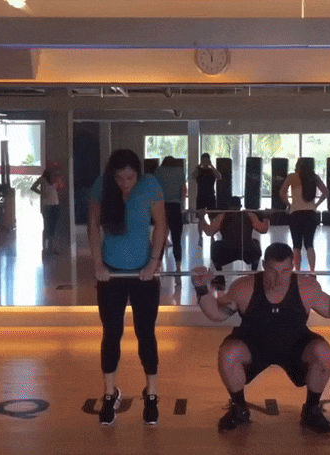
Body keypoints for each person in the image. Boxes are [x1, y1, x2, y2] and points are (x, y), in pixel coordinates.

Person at [191, 242, 330, 435]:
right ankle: (239, 409)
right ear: (263, 265)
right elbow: (216, 314)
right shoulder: (244, 287)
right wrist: (201, 289)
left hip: (295, 347)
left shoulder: (306, 287)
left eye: (285, 271)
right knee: (228, 354)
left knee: (324, 353)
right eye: (272, 271)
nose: (279, 279)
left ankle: (311, 411)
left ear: (293, 267)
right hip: (253, 346)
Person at [88, 149, 168, 426]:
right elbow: (93, 226)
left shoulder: (150, 185)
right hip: (111, 274)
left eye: (130, 178)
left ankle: (152, 394)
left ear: (138, 174)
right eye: (119, 178)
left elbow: (161, 225)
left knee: (146, 334)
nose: (124, 183)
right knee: (111, 334)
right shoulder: (102, 185)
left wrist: (154, 262)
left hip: (143, 273)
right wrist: (98, 264)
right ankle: (110, 394)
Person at [199, 196, 270, 290]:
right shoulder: (250, 215)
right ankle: (253, 275)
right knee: (255, 243)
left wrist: (202, 217)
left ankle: (220, 278)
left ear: (228, 206)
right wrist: (266, 217)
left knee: (214, 246)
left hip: (228, 251)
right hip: (247, 251)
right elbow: (263, 229)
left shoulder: (222, 216)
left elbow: (209, 232)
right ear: (240, 206)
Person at [280, 158, 329, 271]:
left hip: (295, 214)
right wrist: (316, 205)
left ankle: (298, 271)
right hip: (310, 214)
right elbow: (326, 192)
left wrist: (288, 204)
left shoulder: (292, 177)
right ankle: (312, 271)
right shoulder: (314, 177)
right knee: (309, 244)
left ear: (298, 166)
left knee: (296, 246)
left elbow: (282, 193)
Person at [154, 156, 187, 284]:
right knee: (177, 239)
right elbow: (183, 190)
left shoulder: (158, 171)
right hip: (175, 206)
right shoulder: (180, 172)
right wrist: (182, 205)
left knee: (161, 238)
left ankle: (157, 266)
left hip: (162, 206)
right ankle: (178, 268)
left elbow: (155, 189)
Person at [30, 166, 63, 255]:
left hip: (55, 204)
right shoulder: (42, 179)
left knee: (54, 227)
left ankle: (53, 247)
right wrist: (41, 193)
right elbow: (33, 187)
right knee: (48, 227)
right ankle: (46, 247)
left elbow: (60, 188)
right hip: (47, 206)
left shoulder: (55, 179)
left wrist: (59, 182)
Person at [192, 153, 222, 246]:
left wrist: (211, 165)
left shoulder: (211, 170)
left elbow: (219, 176)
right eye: (203, 160)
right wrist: (199, 165)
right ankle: (200, 237)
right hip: (201, 196)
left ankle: (212, 236)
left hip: (210, 196)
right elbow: (192, 177)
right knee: (201, 218)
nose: (205, 162)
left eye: (206, 160)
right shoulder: (198, 170)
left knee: (212, 218)